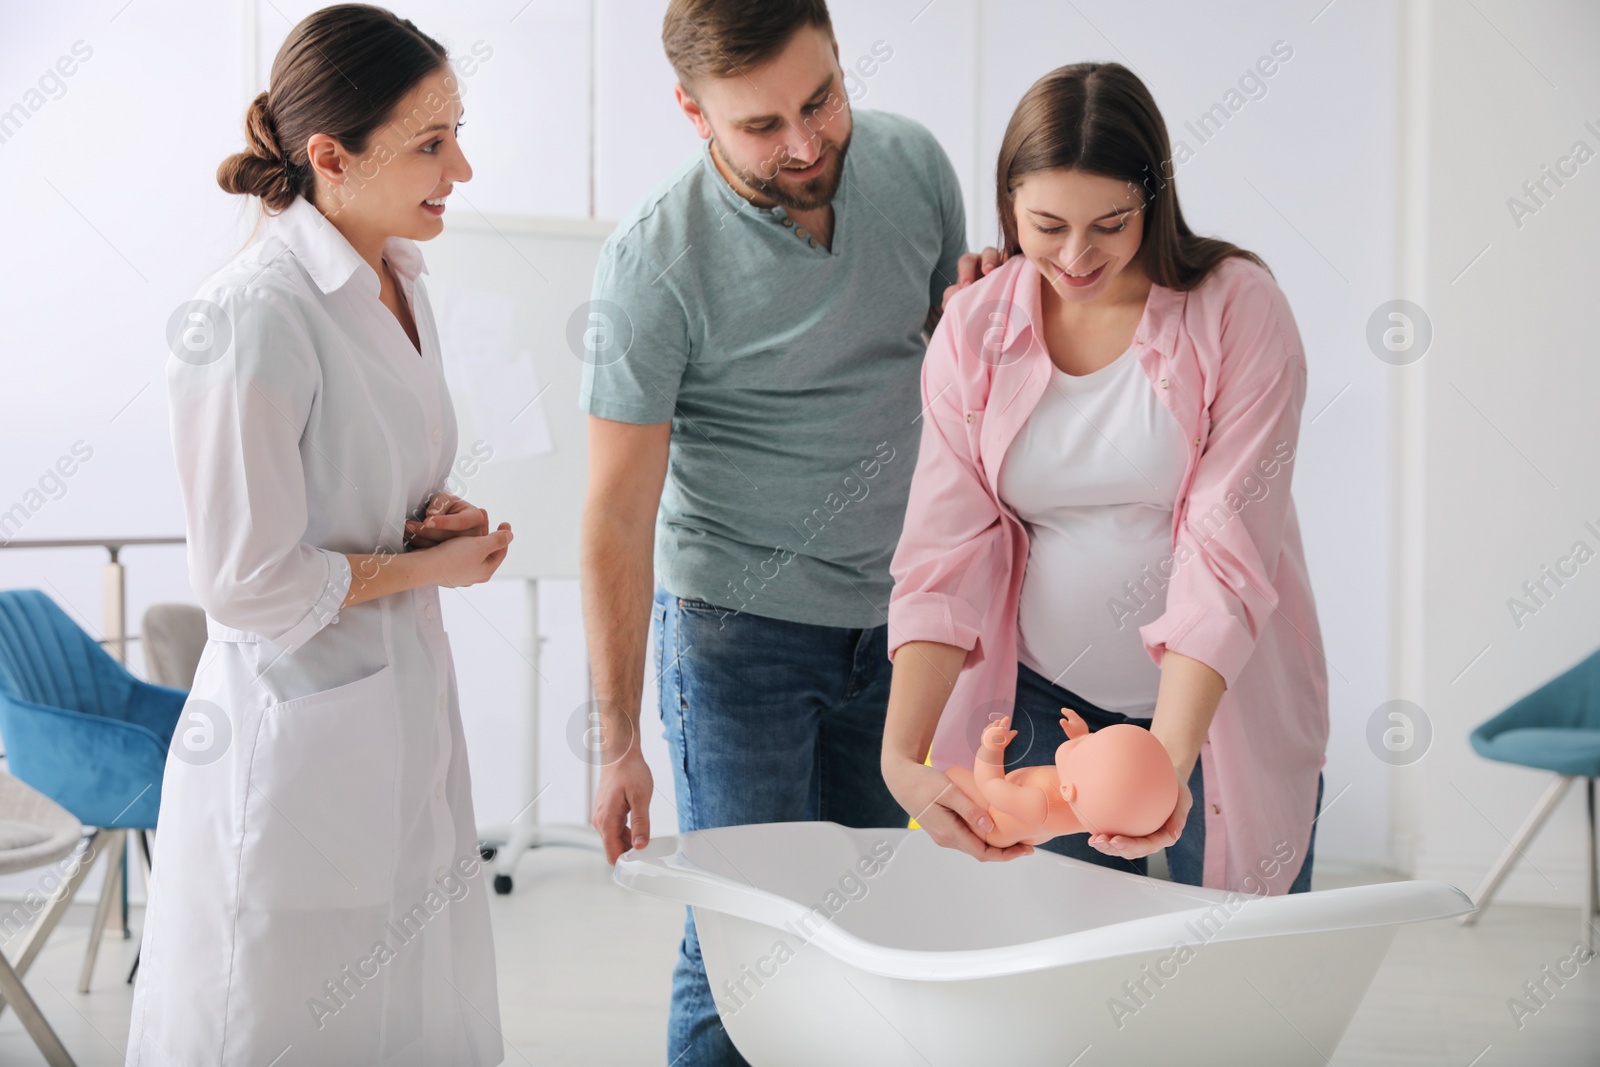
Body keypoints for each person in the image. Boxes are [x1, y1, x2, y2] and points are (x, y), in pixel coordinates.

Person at [576, 1, 988, 1062]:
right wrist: (618, 739)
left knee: (866, 927)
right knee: (741, 943)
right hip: (736, 634)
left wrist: (997, 316)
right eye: (762, 126)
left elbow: (955, 382)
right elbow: (616, 515)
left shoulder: (914, 166)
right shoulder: (653, 260)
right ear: (691, 110)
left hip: (896, 628)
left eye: (822, 99)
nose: (805, 143)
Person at [128, 6, 510, 1064]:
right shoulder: (253, 315)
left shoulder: (405, 284)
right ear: (330, 157)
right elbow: (246, 583)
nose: (461, 165)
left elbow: (365, 481)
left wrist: (442, 517)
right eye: (431, 141)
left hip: (401, 708)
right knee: (293, 1017)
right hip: (299, 736)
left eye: (456, 128)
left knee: (411, 1003)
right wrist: (429, 565)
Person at [881, 62, 1329, 897]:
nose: (1078, 256)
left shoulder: (1238, 308)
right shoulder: (975, 326)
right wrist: (901, 756)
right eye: (1048, 225)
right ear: (1008, 203)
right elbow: (944, 552)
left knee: (1231, 980)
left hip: (1217, 709)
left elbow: (1225, 543)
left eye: (1111, 223)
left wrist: (1165, 756)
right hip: (1043, 707)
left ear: (1153, 201)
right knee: (1053, 984)